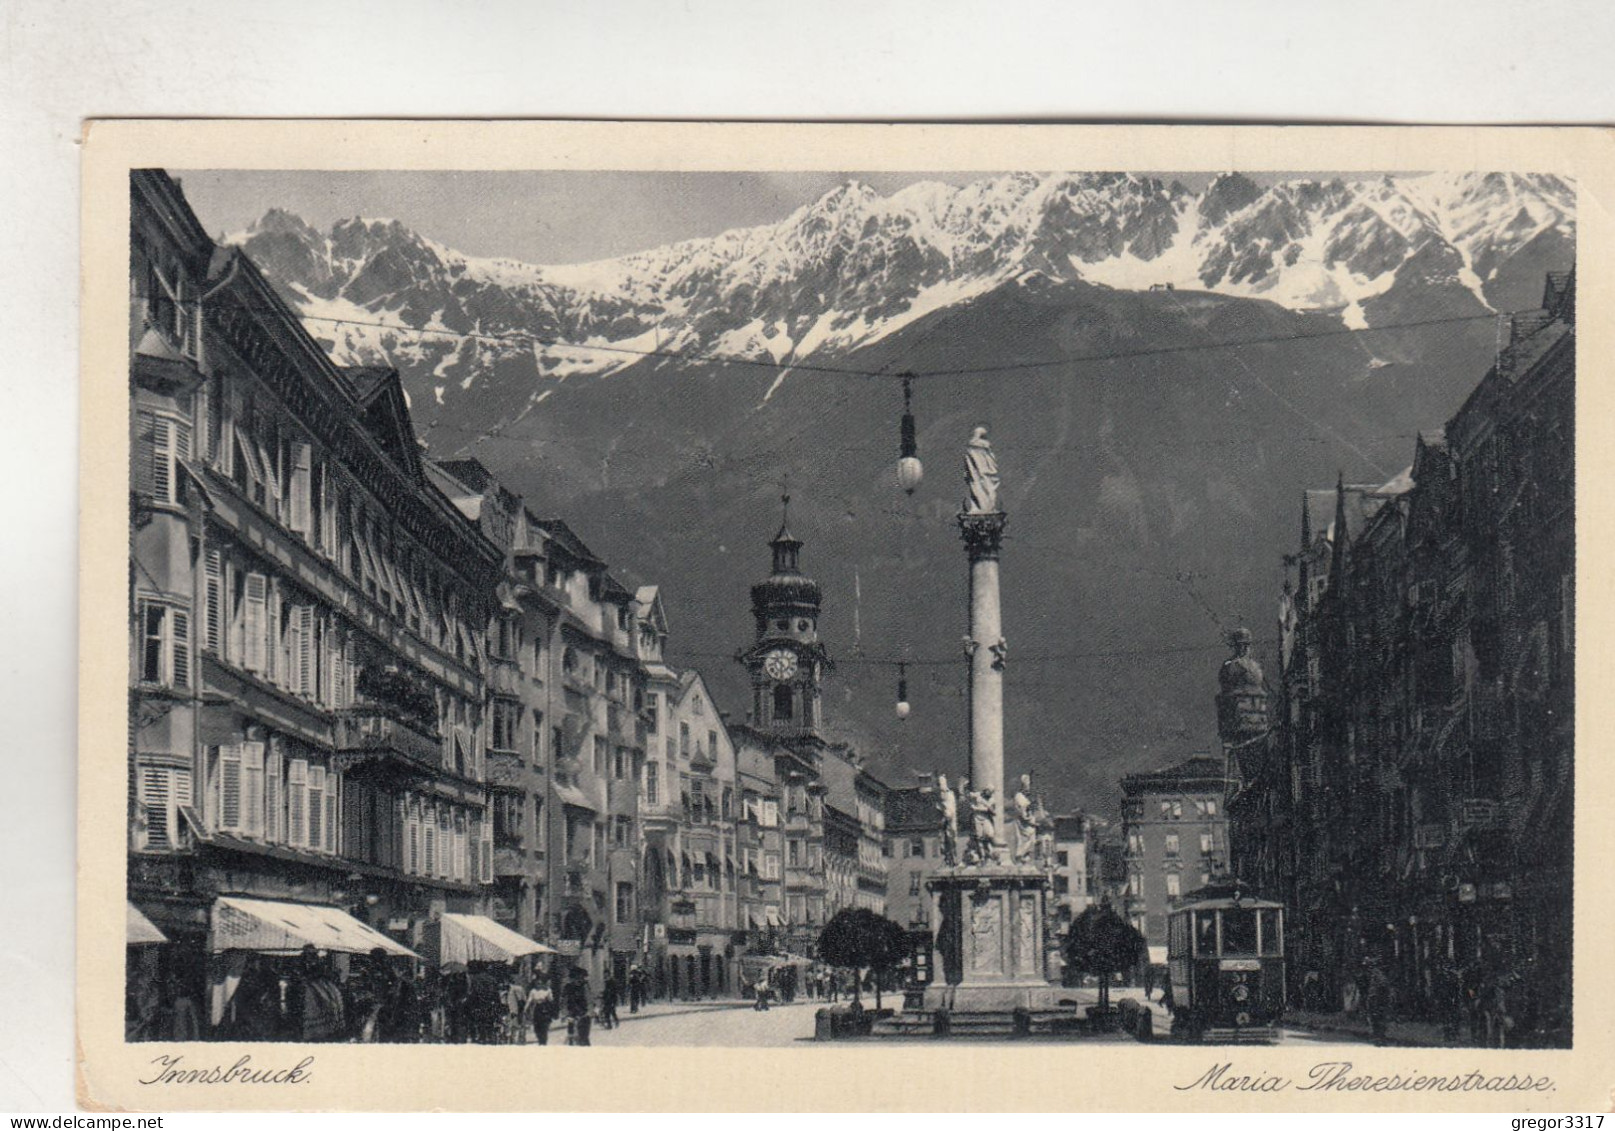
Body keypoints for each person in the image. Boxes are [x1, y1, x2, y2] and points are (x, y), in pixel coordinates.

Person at [563, 967, 592, 1046]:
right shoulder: (568, 987)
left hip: (584, 1015)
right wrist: (565, 1013)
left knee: (584, 1037)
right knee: (571, 1037)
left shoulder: (584, 986)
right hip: (572, 1015)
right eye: (579, 977)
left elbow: (589, 999)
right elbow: (564, 1001)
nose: (581, 979)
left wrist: (591, 1011)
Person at [526, 979, 557, 1045]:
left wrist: (552, 1009)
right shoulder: (533, 991)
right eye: (537, 983)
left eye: (540, 983)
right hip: (537, 1008)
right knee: (536, 1026)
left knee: (544, 1025)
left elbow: (551, 1000)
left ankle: (543, 1040)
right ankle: (539, 1037)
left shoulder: (547, 990)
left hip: (545, 1008)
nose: (539, 985)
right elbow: (529, 1000)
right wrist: (525, 1009)